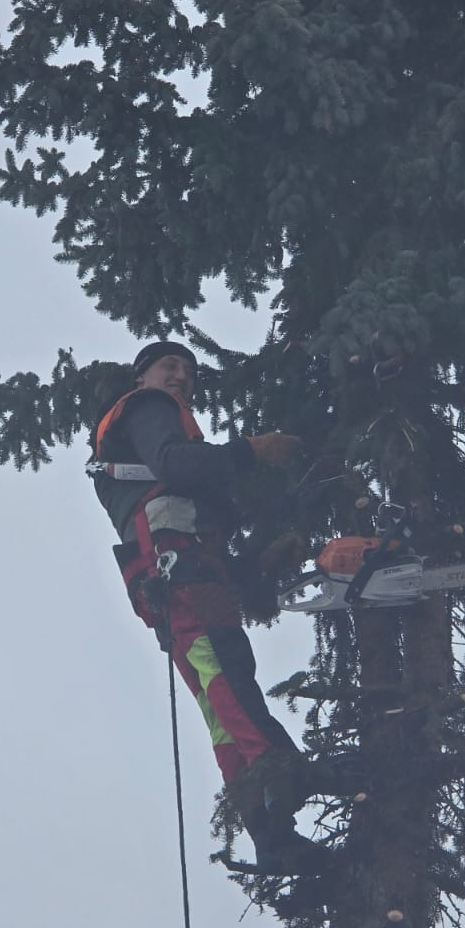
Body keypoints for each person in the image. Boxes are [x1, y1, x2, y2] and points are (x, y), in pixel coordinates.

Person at [90, 340, 331, 873]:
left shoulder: (132, 445)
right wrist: (252, 450)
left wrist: (261, 561)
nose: (180, 376)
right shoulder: (149, 410)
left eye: (188, 370)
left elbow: (194, 517)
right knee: (228, 675)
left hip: (168, 577)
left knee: (216, 705)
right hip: (177, 571)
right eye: (168, 366)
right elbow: (175, 464)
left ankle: (270, 832)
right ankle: (280, 769)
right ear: (142, 376)